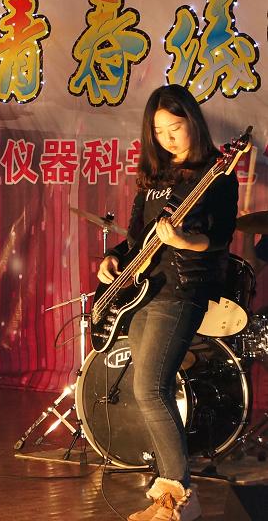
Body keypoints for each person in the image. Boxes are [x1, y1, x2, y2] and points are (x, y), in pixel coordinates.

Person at [97, 84, 236, 521]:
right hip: (142, 292)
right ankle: (169, 496)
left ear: (192, 121)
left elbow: (219, 238)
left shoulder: (216, 173)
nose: (168, 138)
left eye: (175, 127)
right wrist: (113, 258)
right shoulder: (154, 178)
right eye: (158, 131)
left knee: (150, 388)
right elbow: (135, 238)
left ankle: (178, 498)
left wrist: (182, 240)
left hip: (181, 291)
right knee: (149, 391)